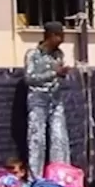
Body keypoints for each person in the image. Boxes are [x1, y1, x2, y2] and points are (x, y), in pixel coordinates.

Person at [24, 21, 70, 177]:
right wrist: (54, 73)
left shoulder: (59, 54)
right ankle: (35, 177)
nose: (62, 40)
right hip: (38, 100)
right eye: (60, 36)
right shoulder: (33, 54)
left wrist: (62, 75)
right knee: (37, 138)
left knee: (59, 137)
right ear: (51, 36)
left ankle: (59, 174)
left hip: (55, 99)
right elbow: (29, 78)